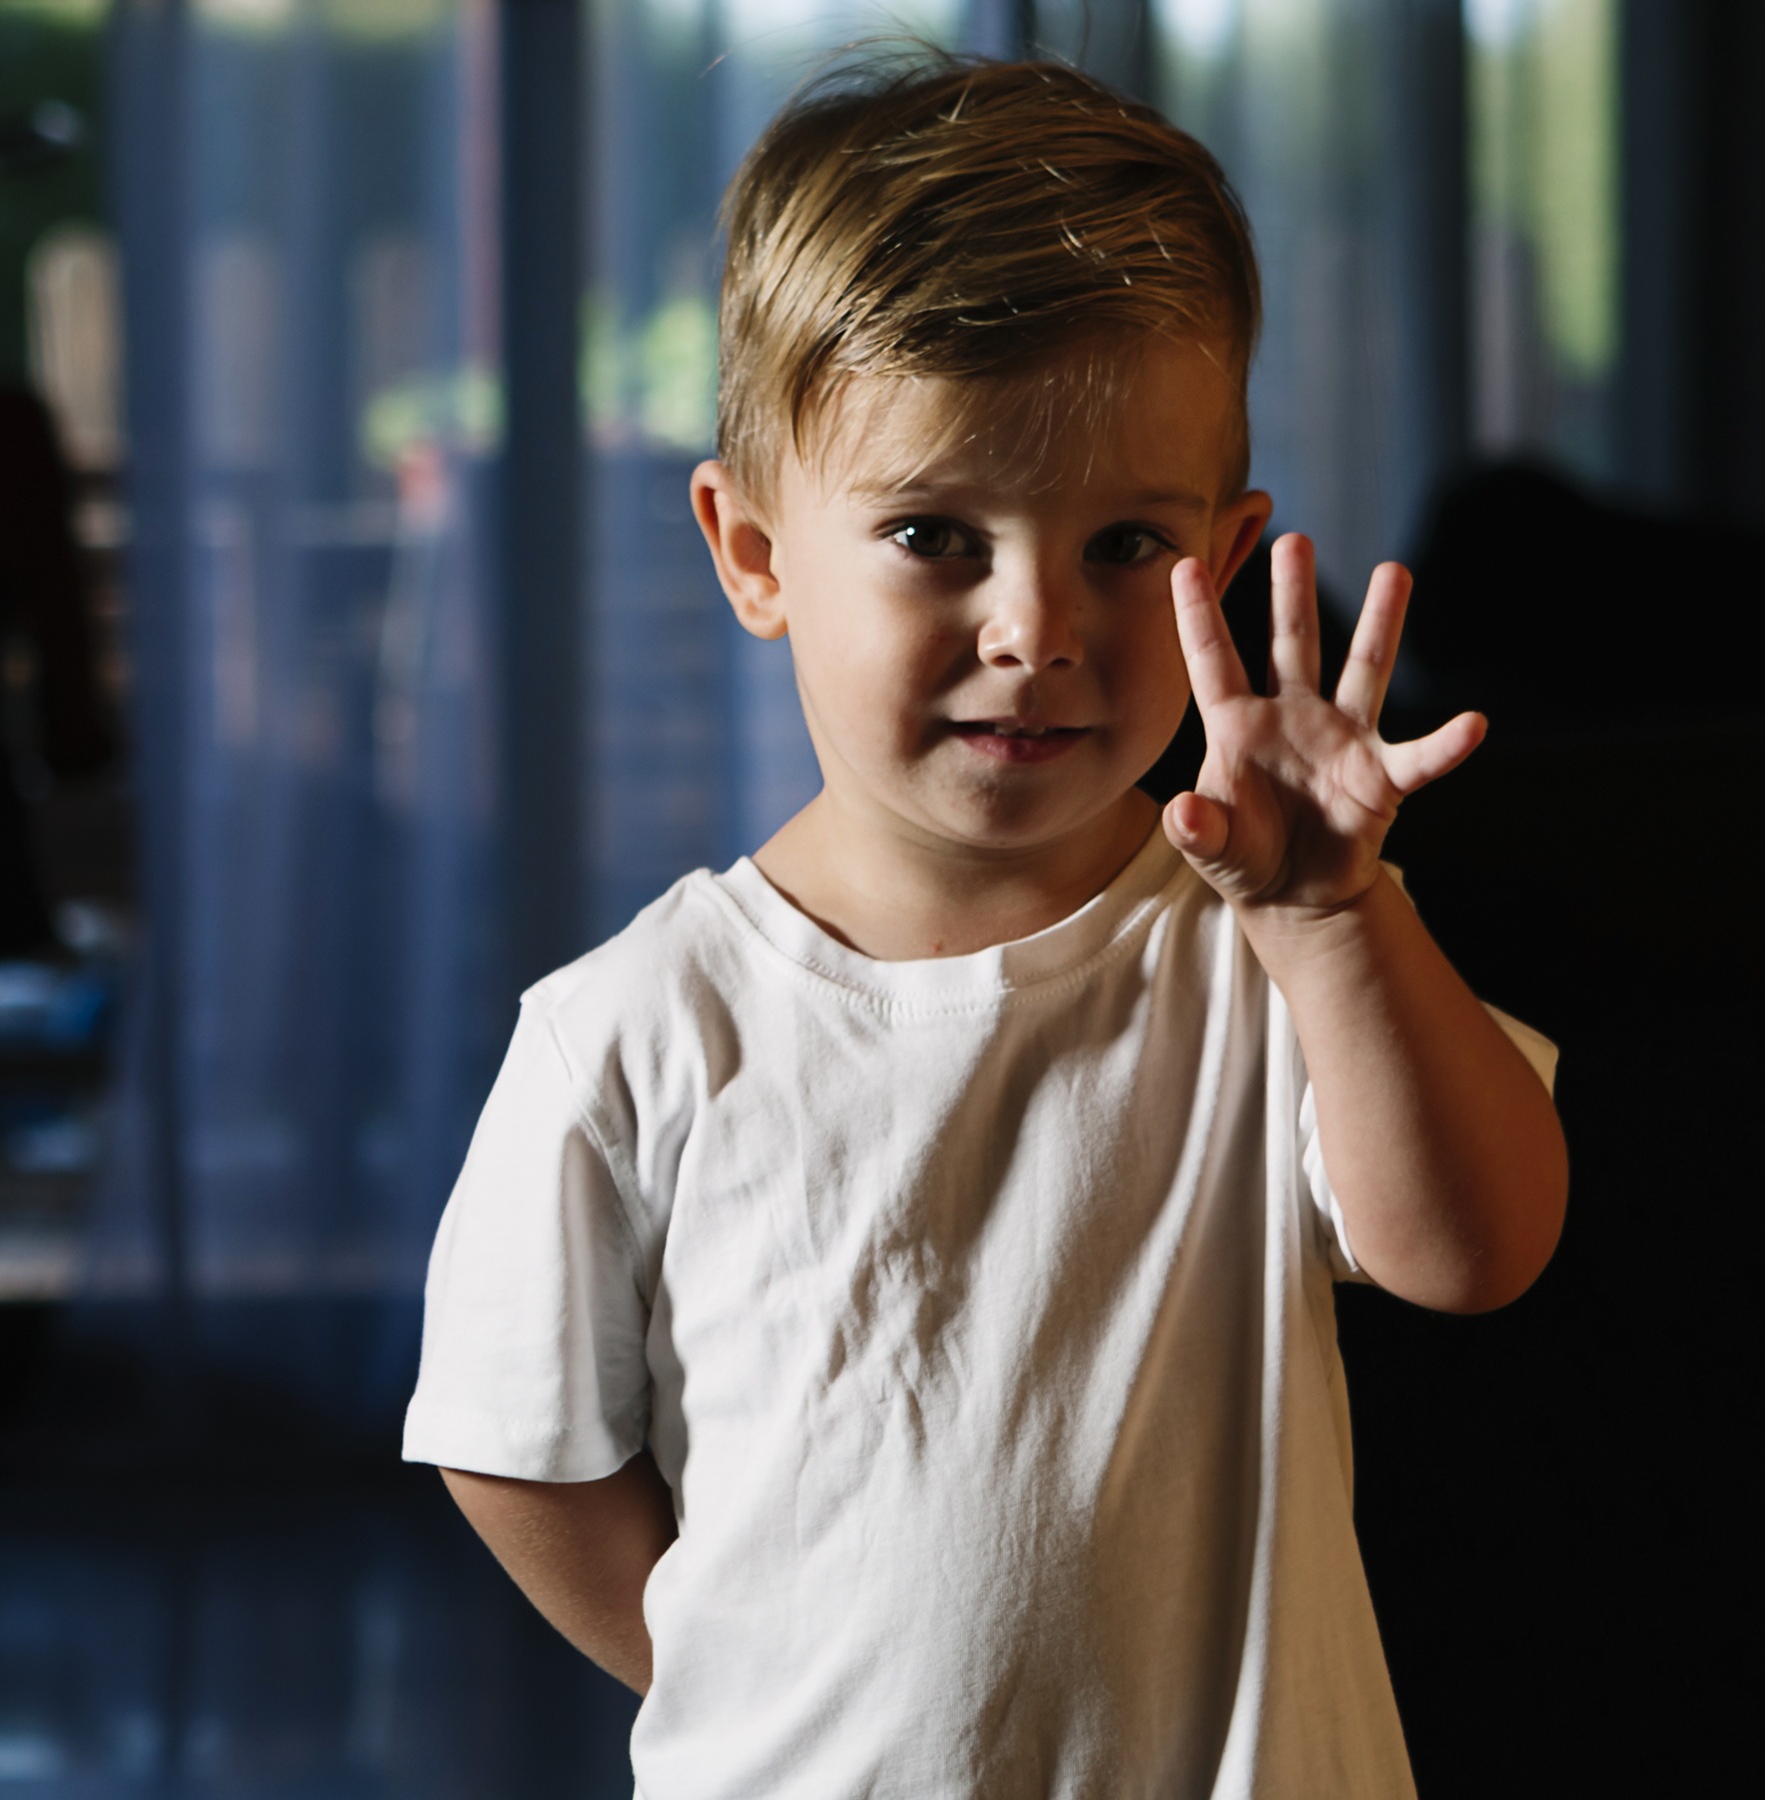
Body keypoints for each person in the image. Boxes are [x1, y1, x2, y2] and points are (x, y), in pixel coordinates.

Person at [401, 56, 1567, 1796]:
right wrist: (734, 1665)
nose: (1036, 626)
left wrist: (1338, 922)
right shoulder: (636, 1032)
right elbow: (521, 1450)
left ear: (1228, 561)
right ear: (756, 550)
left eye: (1121, 546)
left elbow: (1477, 1252)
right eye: (936, 535)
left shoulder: (1266, 953)